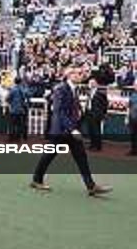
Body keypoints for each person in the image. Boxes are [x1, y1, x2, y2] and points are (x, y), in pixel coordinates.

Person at [30, 64, 112, 197]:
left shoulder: (74, 89)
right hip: (61, 130)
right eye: (78, 73)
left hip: (70, 131)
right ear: (70, 75)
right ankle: (36, 180)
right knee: (48, 156)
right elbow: (59, 112)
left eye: (81, 73)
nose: (81, 75)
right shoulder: (60, 89)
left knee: (81, 158)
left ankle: (91, 186)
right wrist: (72, 128)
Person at [83, 77, 108, 151]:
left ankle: (97, 146)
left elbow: (105, 104)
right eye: (89, 83)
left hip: (96, 114)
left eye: (92, 83)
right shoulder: (89, 92)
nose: (90, 84)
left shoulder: (100, 93)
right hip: (89, 113)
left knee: (96, 131)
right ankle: (92, 144)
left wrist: (103, 113)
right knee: (91, 130)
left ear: (96, 84)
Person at [7, 76, 29, 141]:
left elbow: (8, 98)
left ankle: (11, 137)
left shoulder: (13, 89)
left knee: (12, 124)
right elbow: (26, 97)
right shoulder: (23, 89)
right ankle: (18, 137)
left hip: (14, 109)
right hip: (21, 109)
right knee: (20, 124)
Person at [127, 83, 137, 156]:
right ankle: (133, 150)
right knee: (133, 135)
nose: (135, 87)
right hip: (132, 117)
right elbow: (129, 106)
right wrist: (127, 117)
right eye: (135, 85)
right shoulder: (133, 95)